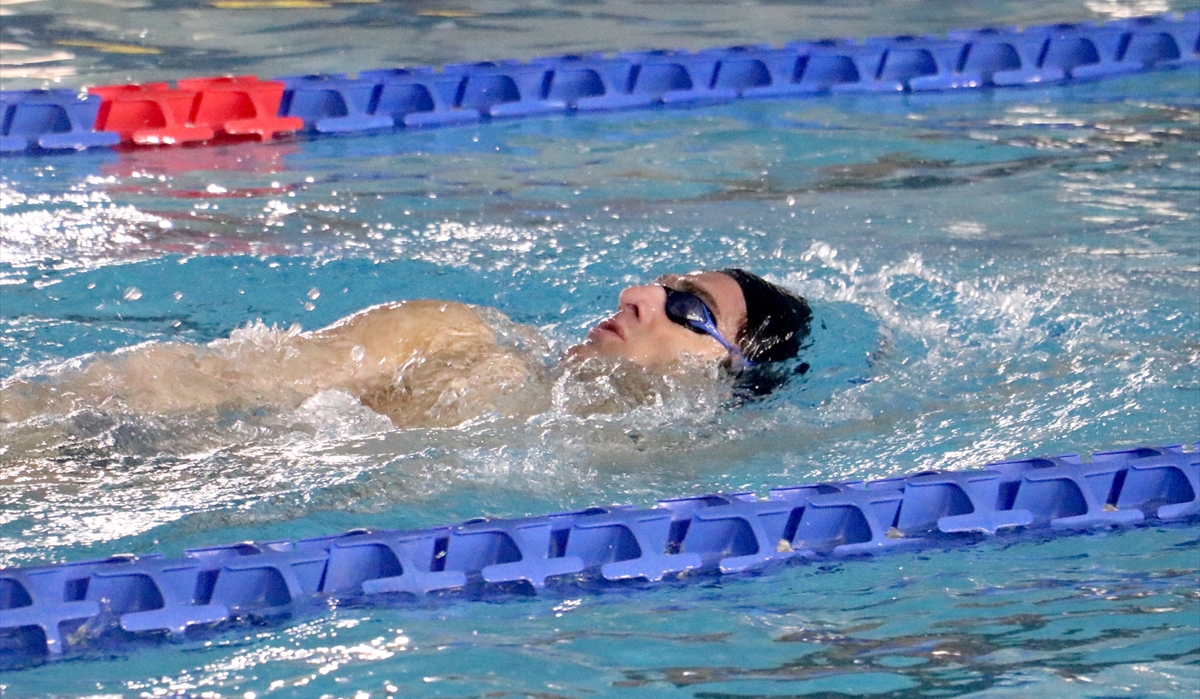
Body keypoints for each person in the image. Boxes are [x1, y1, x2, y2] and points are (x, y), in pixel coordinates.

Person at [0, 269, 810, 428]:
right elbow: (187, 380)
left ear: (721, 369)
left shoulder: (662, 493)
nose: (637, 294)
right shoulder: (453, 336)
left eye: (685, 305)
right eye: (656, 282)